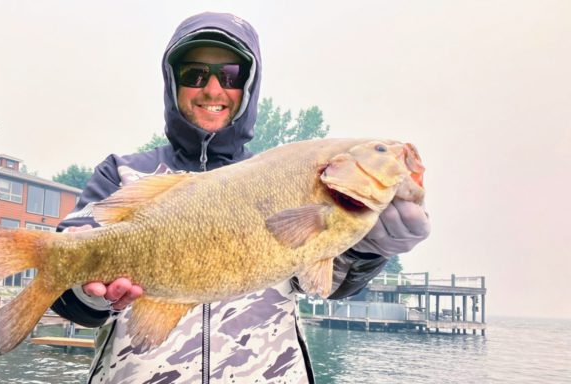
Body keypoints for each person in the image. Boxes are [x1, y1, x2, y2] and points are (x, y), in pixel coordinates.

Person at [51, 12, 430, 384]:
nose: (213, 90)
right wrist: (90, 293)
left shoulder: (284, 175)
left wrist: (371, 251)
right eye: (194, 74)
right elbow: (73, 300)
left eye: (230, 75)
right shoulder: (121, 174)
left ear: (248, 85)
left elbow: (324, 284)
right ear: (173, 82)